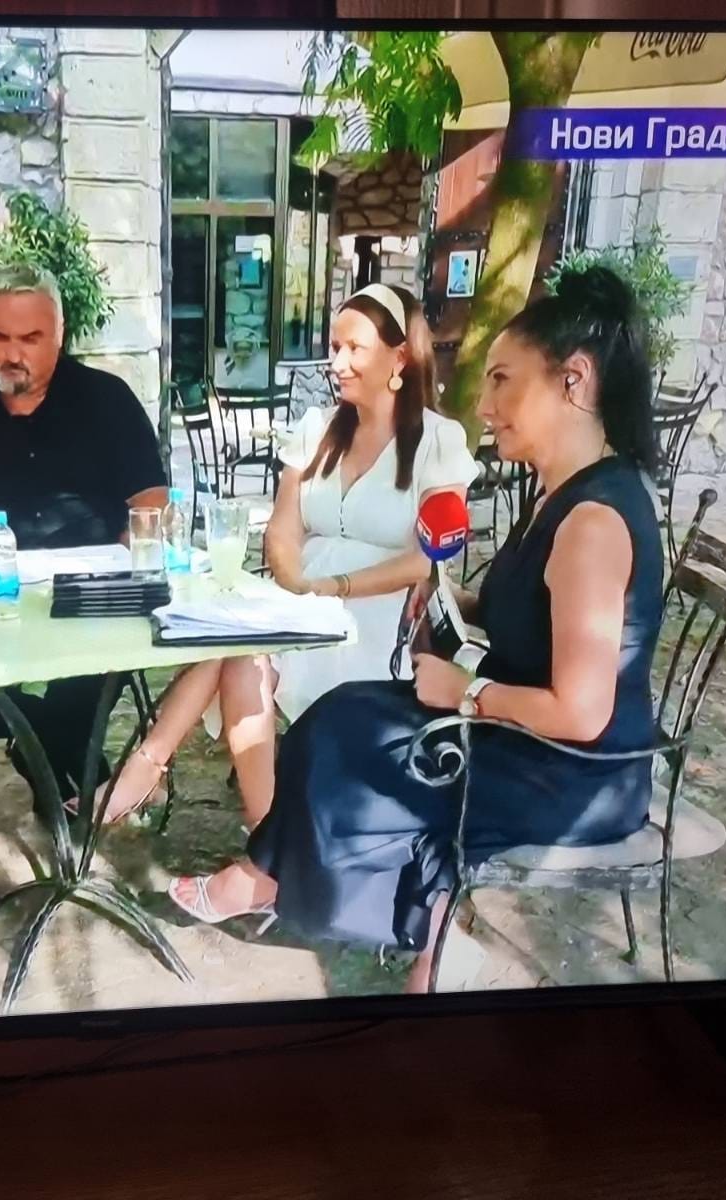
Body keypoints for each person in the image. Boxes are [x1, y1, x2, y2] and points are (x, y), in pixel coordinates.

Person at [169, 265, 665, 994]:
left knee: (356, 750)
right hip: (527, 742)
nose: (484, 405)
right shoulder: (559, 495)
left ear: (574, 380)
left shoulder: (593, 520)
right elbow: (535, 614)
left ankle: (297, 887)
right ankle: (371, 915)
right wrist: (449, 596)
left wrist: (467, 693)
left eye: (502, 381)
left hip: (569, 775)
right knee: (342, 715)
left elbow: (583, 714)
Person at [95, 284, 478, 829]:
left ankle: (148, 768)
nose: (336, 363)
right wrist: (295, 583)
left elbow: (427, 562)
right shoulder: (318, 429)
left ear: (399, 358)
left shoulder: (438, 442)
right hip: (303, 594)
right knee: (238, 648)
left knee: (236, 643)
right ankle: (267, 833)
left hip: (379, 610)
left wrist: (330, 590)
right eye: (335, 347)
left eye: (354, 349)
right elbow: (281, 529)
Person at [0, 263, 169, 808]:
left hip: (91, 605)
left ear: (59, 334)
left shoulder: (107, 400)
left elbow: (151, 502)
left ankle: (58, 785)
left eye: (30, 338)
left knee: (77, 678)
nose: (12, 354)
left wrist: (132, 550)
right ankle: (79, 783)